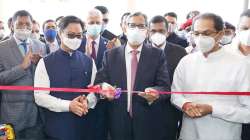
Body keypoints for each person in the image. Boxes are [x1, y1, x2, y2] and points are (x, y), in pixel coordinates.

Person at [171, 13, 250, 140]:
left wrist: (213, 109)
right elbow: (175, 95)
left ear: (220, 34)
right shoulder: (186, 61)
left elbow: (247, 112)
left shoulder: (240, 64)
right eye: (196, 34)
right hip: (189, 134)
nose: (201, 38)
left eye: (207, 33)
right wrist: (185, 104)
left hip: (225, 135)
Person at [95, 12, 170, 140]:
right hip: (117, 121)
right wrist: (104, 89)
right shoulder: (110, 55)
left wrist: (155, 93)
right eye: (132, 25)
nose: (137, 29)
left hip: (147, 122)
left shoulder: (157, 55)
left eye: (141, 26)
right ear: (124, 28)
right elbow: (99, 83)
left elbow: (165, 87)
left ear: (146, 30)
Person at [34, 16, 98, 140]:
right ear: (60, 34)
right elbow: (40, 97)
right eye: (71, 35)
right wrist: (68, 105)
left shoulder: (89, 61)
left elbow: (95, 91)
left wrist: (88, 101)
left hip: (84, 127)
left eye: (79, 36)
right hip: (57, 129)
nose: (75, 39)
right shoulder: (45, 62)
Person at [0, 10, 45, 139]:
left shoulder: (40, 45)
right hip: (10, 115)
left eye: (28, 24)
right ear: (12, 26)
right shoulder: (2, 48)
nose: (24, 27)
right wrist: (22, 67)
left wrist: (40, 63)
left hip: (36, 115)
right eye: (20, 24)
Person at [148, 15, 187, 140]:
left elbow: (183, 82)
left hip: (169, 111)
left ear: (168, 31)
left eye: (161, 31)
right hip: (144, 110)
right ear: (148, 32)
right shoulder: (140, 51)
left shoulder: (180, 52)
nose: (157, 34)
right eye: (153, 31)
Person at [223, 9, 250, 140]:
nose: (248, 33)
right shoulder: (223, 53)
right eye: (245, 28)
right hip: (226, 120)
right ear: (237, 29)